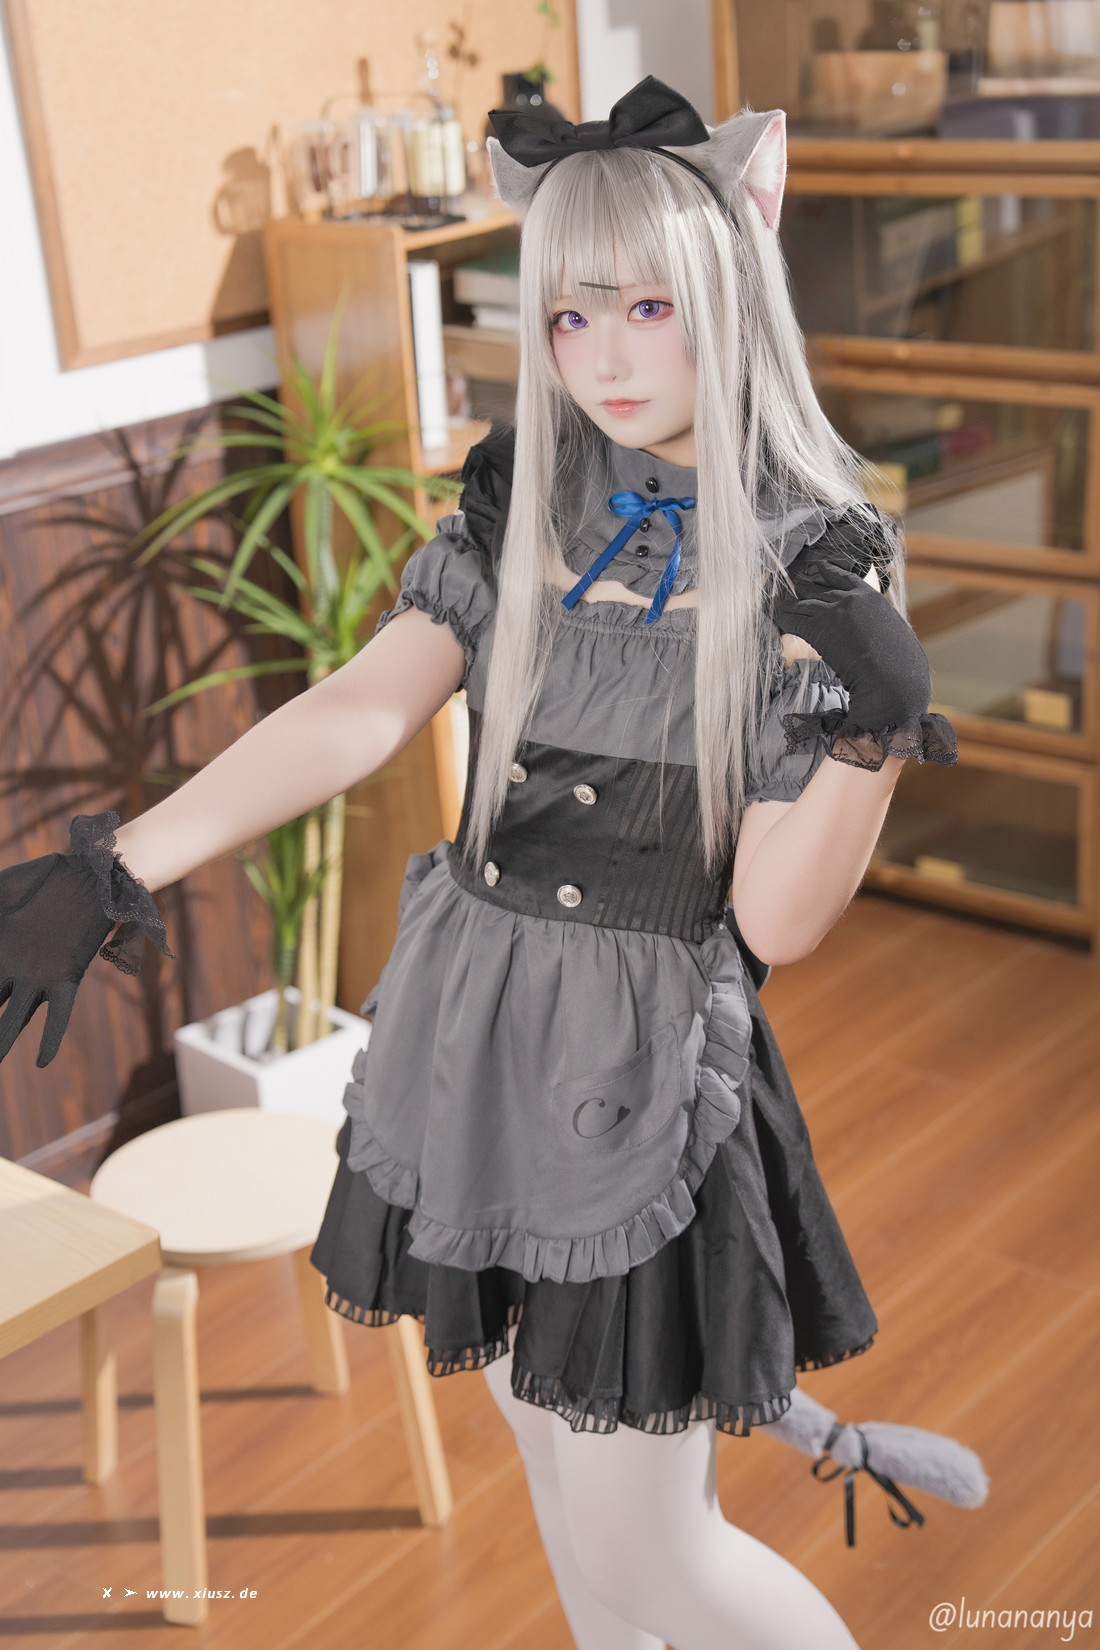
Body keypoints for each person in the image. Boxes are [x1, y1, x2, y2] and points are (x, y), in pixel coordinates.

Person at [0, 78, 957, 1650]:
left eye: (649, 307)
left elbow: (777, 916)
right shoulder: (529, 511)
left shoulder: (812, 561)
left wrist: (873, 733)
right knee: (546, 1458)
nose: (607, 358)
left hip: (639, 1080)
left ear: (729, 291)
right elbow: (361, 706)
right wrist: (121, 863)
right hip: (472, 1035)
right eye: (572, 315)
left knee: (658, 1556)